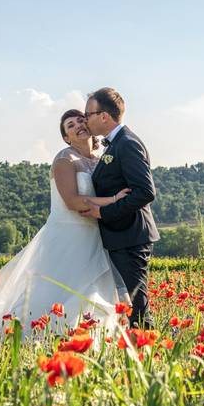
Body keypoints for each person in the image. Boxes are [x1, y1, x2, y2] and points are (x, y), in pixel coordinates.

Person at [0, 110, 132, 339]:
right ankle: (18, 338)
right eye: (70, 126)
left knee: (93, 291)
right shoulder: (64, 159)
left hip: (96, 235)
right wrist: (114, 200)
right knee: (51, 293)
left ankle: (89, 340)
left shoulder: (102, 159)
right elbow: (72, 201)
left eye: (81, 120)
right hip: (67, 235)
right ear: (66, 138)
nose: (78, 126)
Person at [80, 87, 160, 328]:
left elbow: (145, 192)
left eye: (88, 114)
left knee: (137, 303)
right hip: (120, 236)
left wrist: (103, 212)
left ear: (104, 116)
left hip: (130, 235)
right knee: (131, 302)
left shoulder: (127, 143)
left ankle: (147, 351)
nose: (85, 119)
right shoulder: (113, 145)